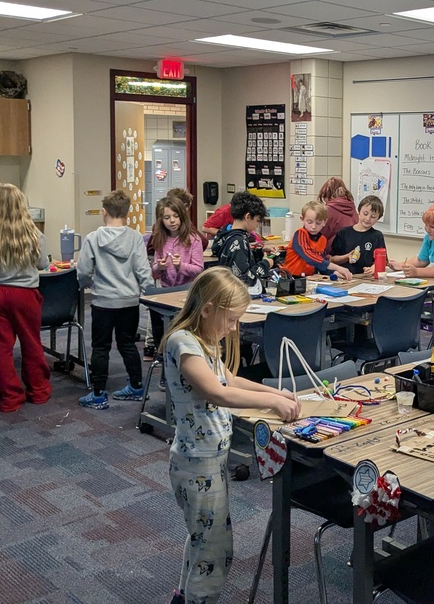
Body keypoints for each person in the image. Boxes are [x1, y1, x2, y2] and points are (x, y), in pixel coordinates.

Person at [163, 267, 301, 604]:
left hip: (211, 460)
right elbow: (218, 393)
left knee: (205, 540)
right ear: (207, 310)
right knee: (214, 550)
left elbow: (231, 381)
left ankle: (185, 596)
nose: (234, 327)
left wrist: (277, 393)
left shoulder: (207, 341)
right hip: (196, 464)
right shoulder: (184, 342)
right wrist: (270, 400)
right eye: (231, 318)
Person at [0, 183, 51, 413]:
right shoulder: (33, 233)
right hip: (25, 294)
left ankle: (10, 397)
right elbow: (43, 264)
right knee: (31, 343)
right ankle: (38, 391)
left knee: (1, 348)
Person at [77, 189, 154, 409]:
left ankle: (99, 394)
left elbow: (83, 271)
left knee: (100, 347)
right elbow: (142, 269)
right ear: (127, 214)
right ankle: (137, 387)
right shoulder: (135, 238)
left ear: (104, 212)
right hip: (129, 302)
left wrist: (87, 284)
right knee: (128, 344)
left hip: (103, 302)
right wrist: (148, 292)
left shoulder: (93, 239)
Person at [149, 196, 205, 354]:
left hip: (187, 292)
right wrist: (159, 267)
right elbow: (154, 272)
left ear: (182, 216)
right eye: (167, 217)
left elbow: (198, 269)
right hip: (167, 290)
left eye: (175, 216)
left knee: (183, 333)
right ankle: (162, 353)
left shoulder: (193, 239)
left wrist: (181, 266)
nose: (172, 221)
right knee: (163, 329)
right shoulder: (160, 238)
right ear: (161, 220)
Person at [210, 191, 275, 292]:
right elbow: (245, 280)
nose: (257, 225)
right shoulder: (239, 241)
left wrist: (259, 252)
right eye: (257, 220)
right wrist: (265, 264)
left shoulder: (226, 233)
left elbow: (238, 258)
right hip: (236, 294)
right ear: (248, 217)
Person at [282, 200, 353, 280]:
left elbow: (320, 263)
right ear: (302, 219)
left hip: (309, 278)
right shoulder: (300, 234)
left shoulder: (323, 240)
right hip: (290, 277)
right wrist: (337, 268)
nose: (313, 226)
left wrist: (335, 273)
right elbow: (308, 256)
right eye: (309, 222)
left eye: (318, 223)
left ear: (325, 222)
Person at [329, 195, 387, 275]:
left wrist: (373, 269)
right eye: (365, 214)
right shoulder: (344, 233)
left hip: (366, 278)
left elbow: (382, 260)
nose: (368, 219)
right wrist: (346, 257)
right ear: (358, 212)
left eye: (373, 217)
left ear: (378, 218)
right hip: (345, 277)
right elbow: (332, 259)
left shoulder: (377, 236)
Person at [317, 177, 358, 248]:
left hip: (332, 253)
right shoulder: (352, 207)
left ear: (328, 195)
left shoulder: (329, 210)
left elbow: (317, 234)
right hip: (351, 250)